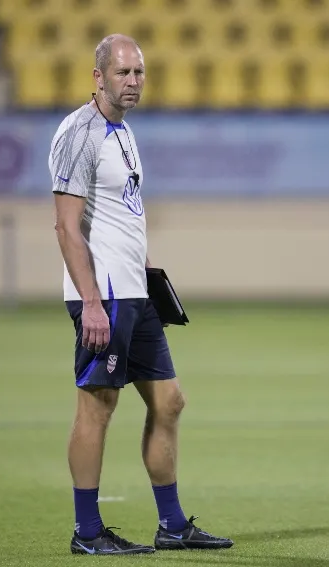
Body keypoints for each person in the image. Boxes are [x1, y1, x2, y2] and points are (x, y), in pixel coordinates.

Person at [49, 34, 233, 556]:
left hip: (133, 291)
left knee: (169, 401)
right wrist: (89, 301)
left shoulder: (123, 132)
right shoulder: (78, 133)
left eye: (139, 73)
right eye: (124, 73)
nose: (133, 82)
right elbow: (65, 227)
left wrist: (148, 274)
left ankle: (172, 526)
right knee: (97, 406)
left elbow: (121, 212)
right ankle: (87, 533)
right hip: (102, 295)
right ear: (98, 76)